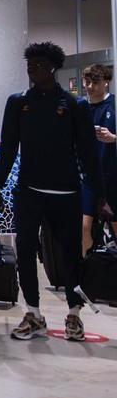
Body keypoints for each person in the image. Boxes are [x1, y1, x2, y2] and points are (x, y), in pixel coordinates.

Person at [0, 42, 109, 342]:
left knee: (70, 256)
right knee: (26, 252)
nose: (33, 69)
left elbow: (87, 154)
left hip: (66, 194)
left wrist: (100, 196)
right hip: (29, 192)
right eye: (30, 65)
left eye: (39, 65)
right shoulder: (18, 103)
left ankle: (74, 314)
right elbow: (7, 148)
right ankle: (33, 313)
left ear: (53, 68)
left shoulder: (74, 105)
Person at [80, 63, 116, 256]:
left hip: (112, 177)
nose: (90, 86)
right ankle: (86, 275)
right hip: (90, 179)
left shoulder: (114, 105)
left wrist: (114, 138)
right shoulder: (81, 108)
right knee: (84, 228)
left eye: (95, 82)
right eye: (87, 81)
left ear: (106, 82)